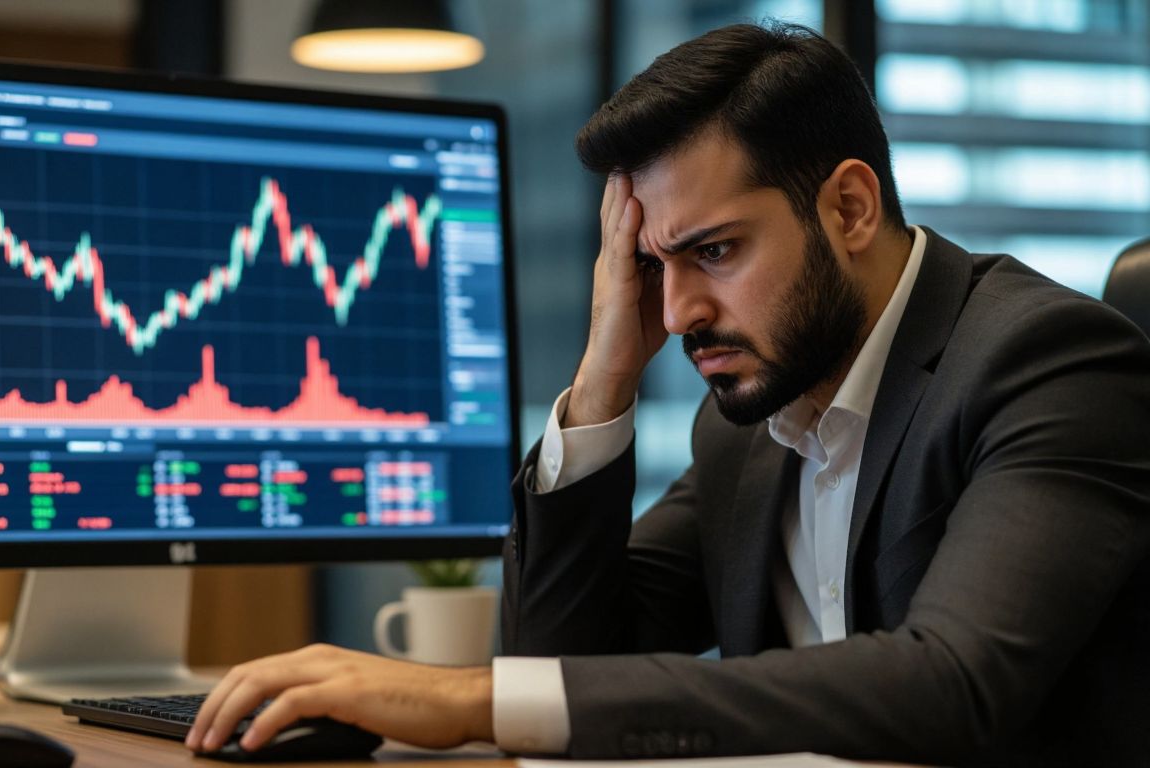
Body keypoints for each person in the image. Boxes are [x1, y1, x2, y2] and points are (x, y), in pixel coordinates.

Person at [184, 22, 1150, 766]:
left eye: (715, 251)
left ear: (850, 208)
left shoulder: (1049, 364)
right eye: (653, 266)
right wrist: (604, 376)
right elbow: (566, 664)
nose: (680, 311)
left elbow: (951, 687)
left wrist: (464, 698)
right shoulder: (748, 426)